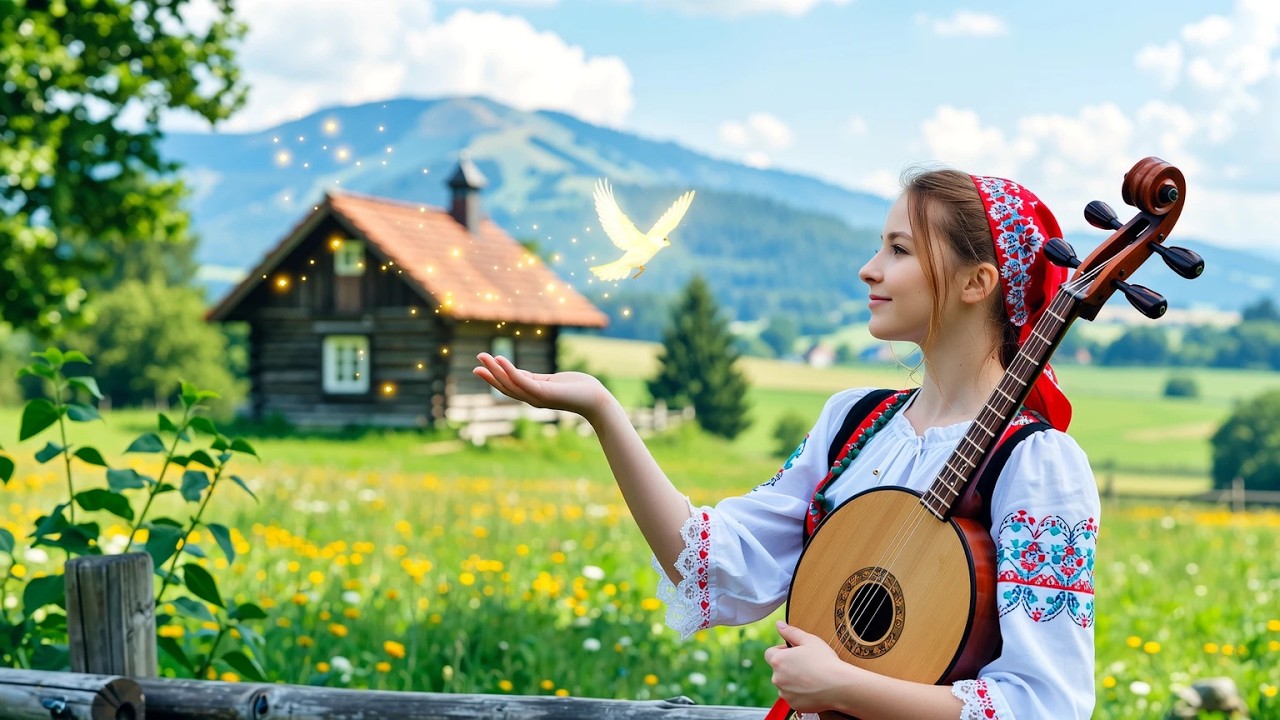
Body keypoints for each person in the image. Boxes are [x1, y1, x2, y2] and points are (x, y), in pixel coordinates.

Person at [474, 167, 1099, 720]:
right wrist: (603, 411)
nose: (869, 268)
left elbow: (1045, 705)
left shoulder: (1038, 466)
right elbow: (721, 565)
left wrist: (846, 687)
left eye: (899, 249)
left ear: (976, 282)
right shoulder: (855, 424)